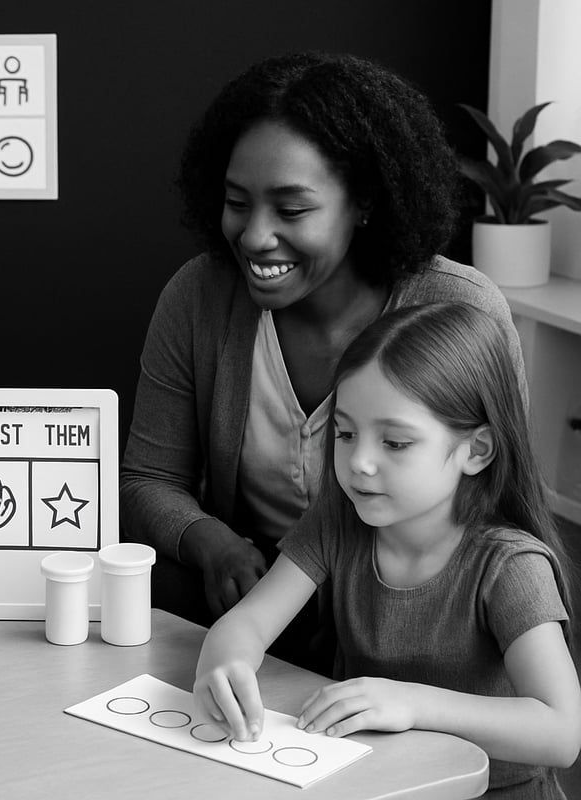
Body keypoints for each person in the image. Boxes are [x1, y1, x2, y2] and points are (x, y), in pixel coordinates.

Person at [119, 52, 527, 665]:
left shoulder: (458, 308)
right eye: (237, 202)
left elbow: (501, 500)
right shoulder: (199, 298)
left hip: (411, 631)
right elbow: (149, 478)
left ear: (363, 201)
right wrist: (215, 544)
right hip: (258, 608)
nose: (256, 236)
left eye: (292, 209)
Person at [194, 302, 579, 799]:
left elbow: (562, 732)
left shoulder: (509, 567)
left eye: (394, 443)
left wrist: (412, 703)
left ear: (476, 450)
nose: (360, 463)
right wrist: (221, 664)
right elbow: (248, 623)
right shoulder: (339, 524)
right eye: (346, 434)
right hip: (376, 784)